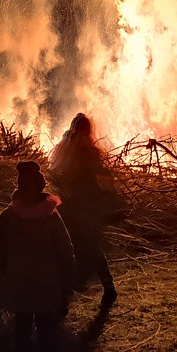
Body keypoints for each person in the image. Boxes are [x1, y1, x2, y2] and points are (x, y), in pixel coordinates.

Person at [0, 161, 75, 352]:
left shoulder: (8, 216)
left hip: (19, 278)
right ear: (41, 187)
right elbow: (65, 248)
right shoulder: (51, 216)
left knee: (22, 329)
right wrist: (68, 277)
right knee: (47, 328)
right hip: (46, 279)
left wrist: (4, 273)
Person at [49, 113, 121, 306]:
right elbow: (58, 172)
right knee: (67, 246)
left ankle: (108, 288)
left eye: (85, 131)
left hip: (87, 205)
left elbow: (98, 174)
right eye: (82, 130)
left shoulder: (88, 152)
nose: (84, 134)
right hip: (72, 205)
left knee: (91, 246)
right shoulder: (68, 150)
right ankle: (64, 293)